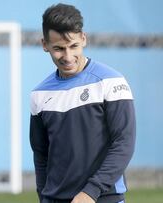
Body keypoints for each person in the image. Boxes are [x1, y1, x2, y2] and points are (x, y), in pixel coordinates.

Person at [29, 3, 136, 203]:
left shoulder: (111, 81)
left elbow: (124, 143)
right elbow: (41, 154)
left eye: (73, 46)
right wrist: (43, 196)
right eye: (59, 49)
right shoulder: (39, 94)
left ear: (83, 39)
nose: (68, 57)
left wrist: (90, 192)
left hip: (103, 197)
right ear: (45, 45)